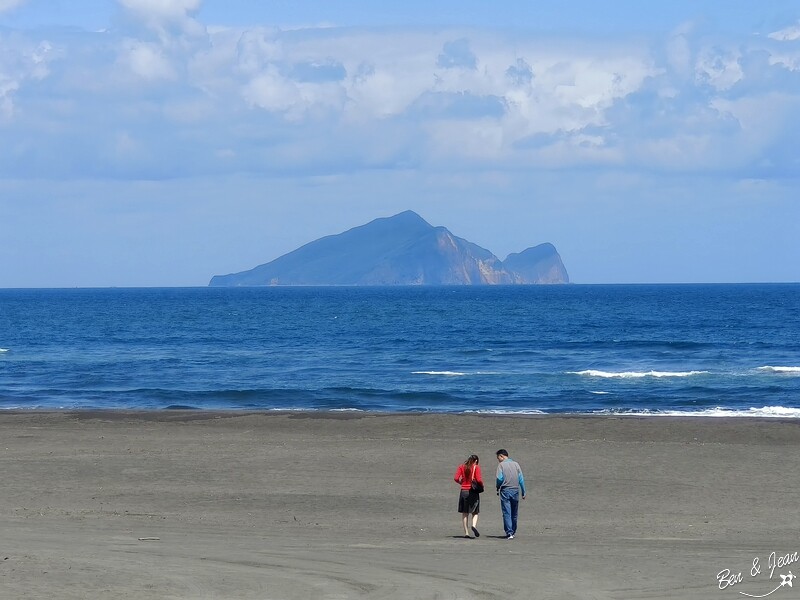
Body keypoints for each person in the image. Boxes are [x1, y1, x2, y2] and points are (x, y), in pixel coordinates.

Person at [495, 449, 526, 539]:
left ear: (502, 456)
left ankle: (509, 532)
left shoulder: (501, 465)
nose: (498, 460)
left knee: (506, 512)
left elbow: (499, 478)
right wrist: (524, 491)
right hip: (515, 490)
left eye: (498, 458)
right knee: (514, 512)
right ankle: (513, 530)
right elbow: (521, 479)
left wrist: (498, 486)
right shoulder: (516, 464)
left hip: (505, 490)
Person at [453, 454, 483, 538]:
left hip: (463, 491)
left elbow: (456, 478)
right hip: (473, 491)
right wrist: (481, 486)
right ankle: (473, 525)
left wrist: (461, 483)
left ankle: (466, 532)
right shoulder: (476, 467)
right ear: (476, 461)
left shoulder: (461, 466)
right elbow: (479, 479)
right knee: (475, 511)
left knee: (465, 513)